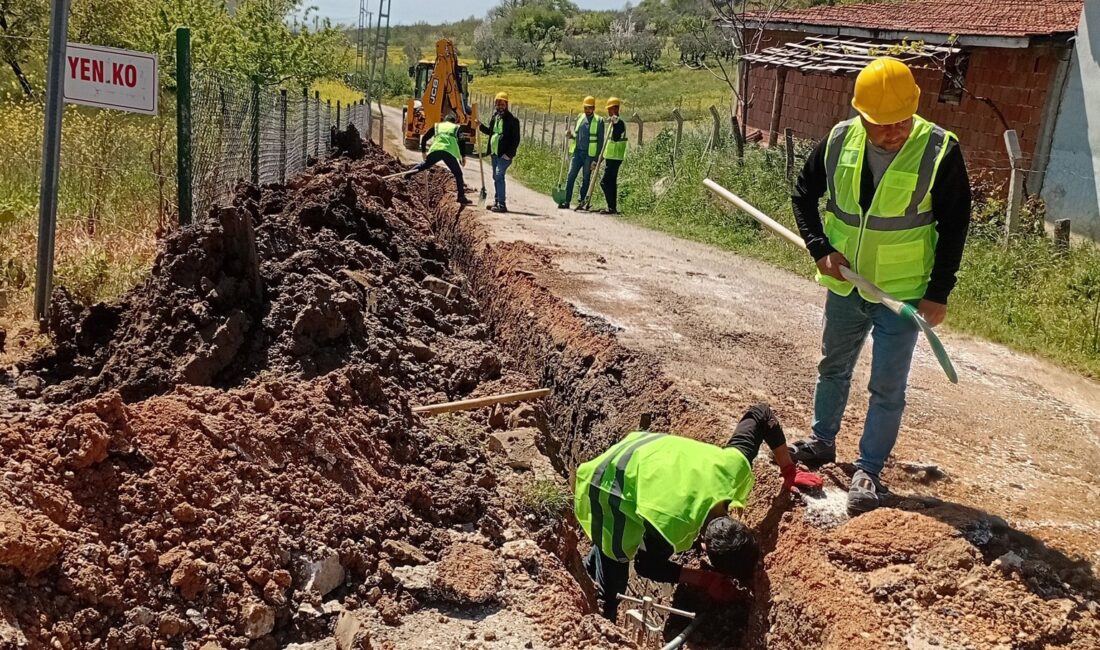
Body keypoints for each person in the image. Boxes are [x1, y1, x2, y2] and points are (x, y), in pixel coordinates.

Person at [788, 57, 972, 515]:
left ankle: (868, 469)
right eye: (881, 125)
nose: (893, 132)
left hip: (902, 293)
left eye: (901, 122)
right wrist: (819, 248)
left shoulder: (939, 151)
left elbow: (955, 226)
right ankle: (822, 440)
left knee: (887, 387)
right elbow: (802, 195)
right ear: (862, 115)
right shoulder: (837, 141)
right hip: (847, 286)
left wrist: (938, 293)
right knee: (833, 365)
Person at [575, 404, 823, 621]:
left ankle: (585, 571)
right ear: (703, 546)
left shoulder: (732, 468)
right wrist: (706, 580)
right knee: (615, 568)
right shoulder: (672, 525)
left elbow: (761, 414)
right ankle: (600, 613)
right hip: (609, 481)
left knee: (614, 549)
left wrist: (789, 471)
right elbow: (646, 566)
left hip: (649, 453)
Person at [408, 115, 470, 206]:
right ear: (454, 122)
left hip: (436, 150)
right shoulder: (457, 128)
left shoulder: (438, 126)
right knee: (458, 174)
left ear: (444, 121)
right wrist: (463, 157)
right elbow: (462, 142)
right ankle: (461, 196)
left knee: (425, 165)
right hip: (448, 151)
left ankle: (407, 175)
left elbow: (424, 138)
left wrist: (423, 152)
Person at [559, 96, 605, 210]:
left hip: (590, 155)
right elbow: (576, 135)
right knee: (571, 176)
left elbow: (600, 141)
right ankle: (566, 200)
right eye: (585, 107)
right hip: (577, 152)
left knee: (586, 178)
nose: (587, 110)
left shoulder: (599, 121)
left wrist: (597, 158)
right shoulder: (580, 117)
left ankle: (582, 201)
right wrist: (570, 135)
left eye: (589, 108)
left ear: (593, 108)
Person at [478, 92, 521, 213]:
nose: (499, 106)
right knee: (495, 176)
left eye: (502, 104)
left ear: (506, 104)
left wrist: (509, 154)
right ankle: (497, 201)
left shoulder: (512, 120)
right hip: (495, 153)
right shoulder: (495, 117)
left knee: (498, 174)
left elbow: (515, 139)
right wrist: (480, 126)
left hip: (504, 155)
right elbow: (491, 132)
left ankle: (502, 204)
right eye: (497, 103)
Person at [599, 97, 627, 215]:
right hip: (610, 156)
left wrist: (615, 123)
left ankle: (611, 207)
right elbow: (608, 142)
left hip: (615, 157)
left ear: (616, 108)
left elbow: (615, 137)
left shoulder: (619, 123)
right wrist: (601, 158)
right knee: (610, 182)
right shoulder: (612, 123)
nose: (608, 111)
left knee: (605, 182)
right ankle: (612, 207)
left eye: (610, 109)